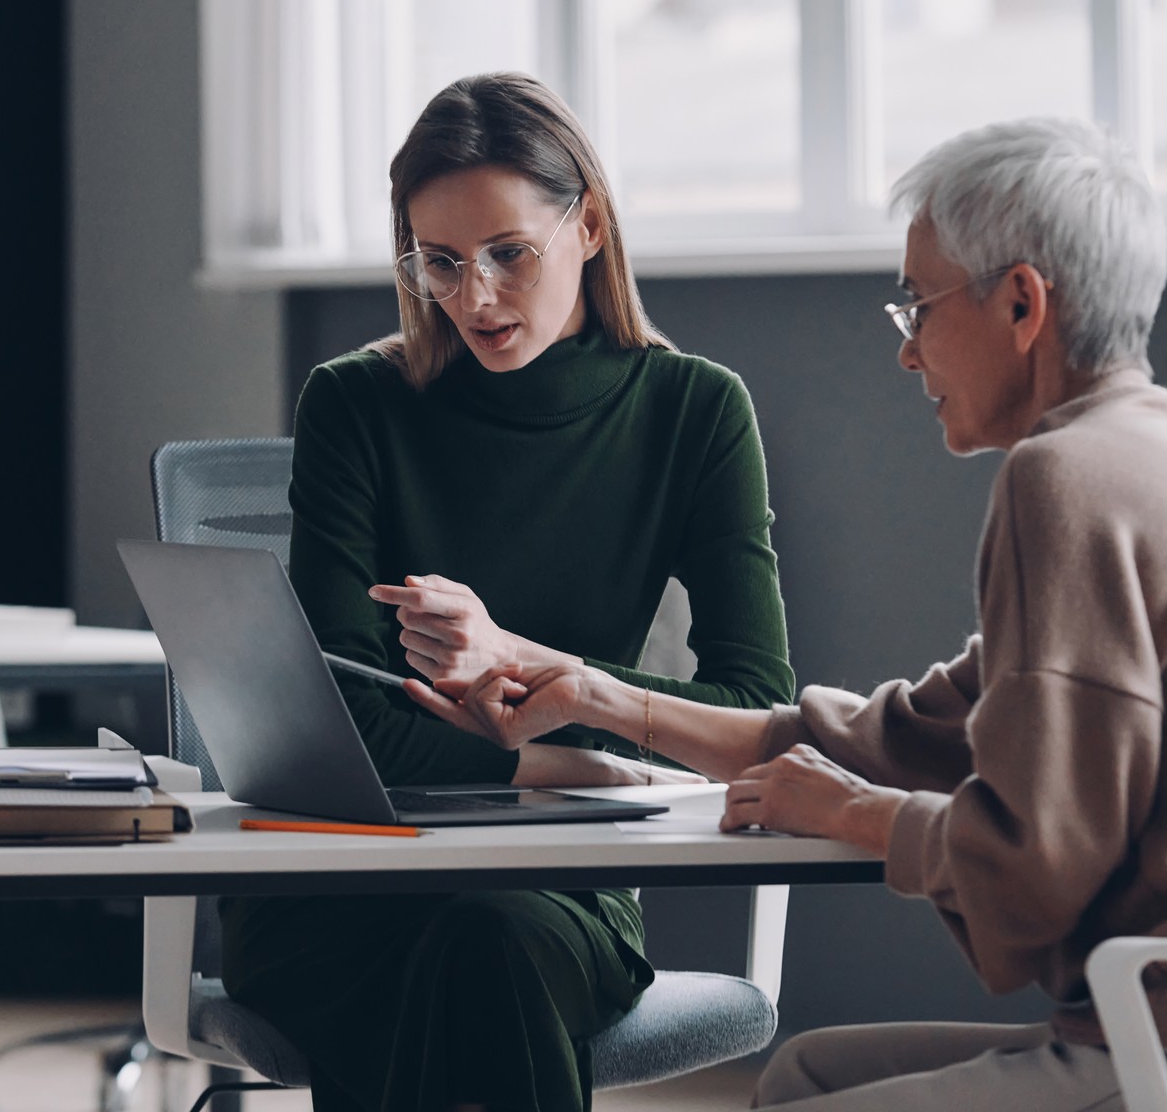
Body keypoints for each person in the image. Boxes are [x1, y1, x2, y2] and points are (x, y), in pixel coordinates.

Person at [407, 117, 1167, 1110]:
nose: (908, 349)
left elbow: (1034, 870)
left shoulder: (1065, 481)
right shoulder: (1163, 467)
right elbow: (876, 736)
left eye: (919, 306)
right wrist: (596, 693)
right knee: (807, 1073)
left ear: (1021, 303)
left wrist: (856, 814)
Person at [219, 72, 795, 1112]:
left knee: (487, 940)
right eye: (439, 261)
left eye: (507, 254)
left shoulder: (695, 413)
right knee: (447, 954)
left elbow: (758, 712)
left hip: (552, 886)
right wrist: (558, 756)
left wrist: (529, 666)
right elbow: (331, 721)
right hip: (343, 877)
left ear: (591, 225)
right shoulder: (357, 403)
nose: (473, 296)